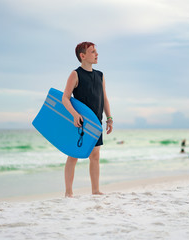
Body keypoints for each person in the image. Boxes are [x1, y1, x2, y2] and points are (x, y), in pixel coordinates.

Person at [62, 42, 113, 197]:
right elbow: (65, 98)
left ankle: (95, 190)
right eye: (93, 51)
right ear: (82, 56)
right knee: (73, 155)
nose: (96, 54)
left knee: (95, 156)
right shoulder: (75, 74)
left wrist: (109, 118)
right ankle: (68, 192)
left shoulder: (100, 75)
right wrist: (74, 114)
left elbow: (104, 98)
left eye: (96, 51)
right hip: (81, 123)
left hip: (96, 122)